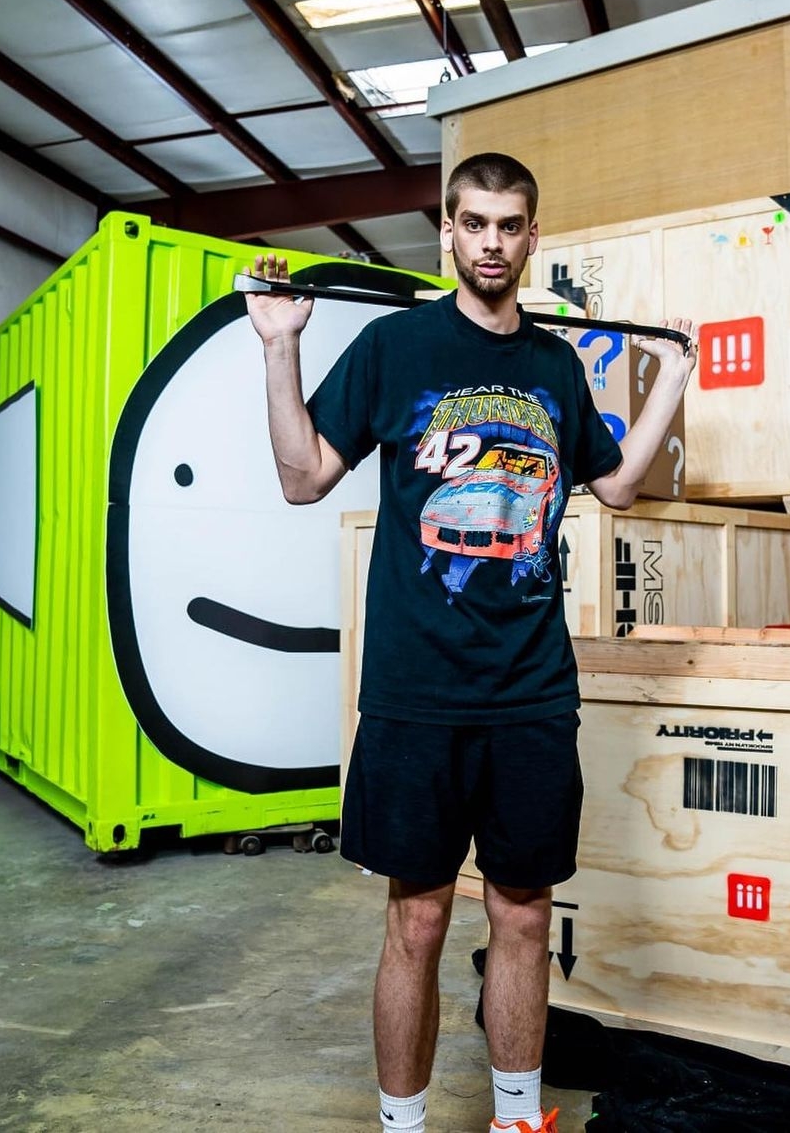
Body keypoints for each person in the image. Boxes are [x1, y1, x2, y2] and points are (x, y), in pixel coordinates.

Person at [243, 153, 696, 1133]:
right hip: (417, 691)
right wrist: (279, 348)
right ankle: (402, 1126)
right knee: (418, 917)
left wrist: (674, 377)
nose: (493, 242)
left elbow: (617, 486)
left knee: (524, 914)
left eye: (510, 225)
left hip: (531, 690)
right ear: (448, 233)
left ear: (532, 237)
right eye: (475, 223)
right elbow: (302, 477)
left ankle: (518, 1120)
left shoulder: (554, 367)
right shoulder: (395, 348)